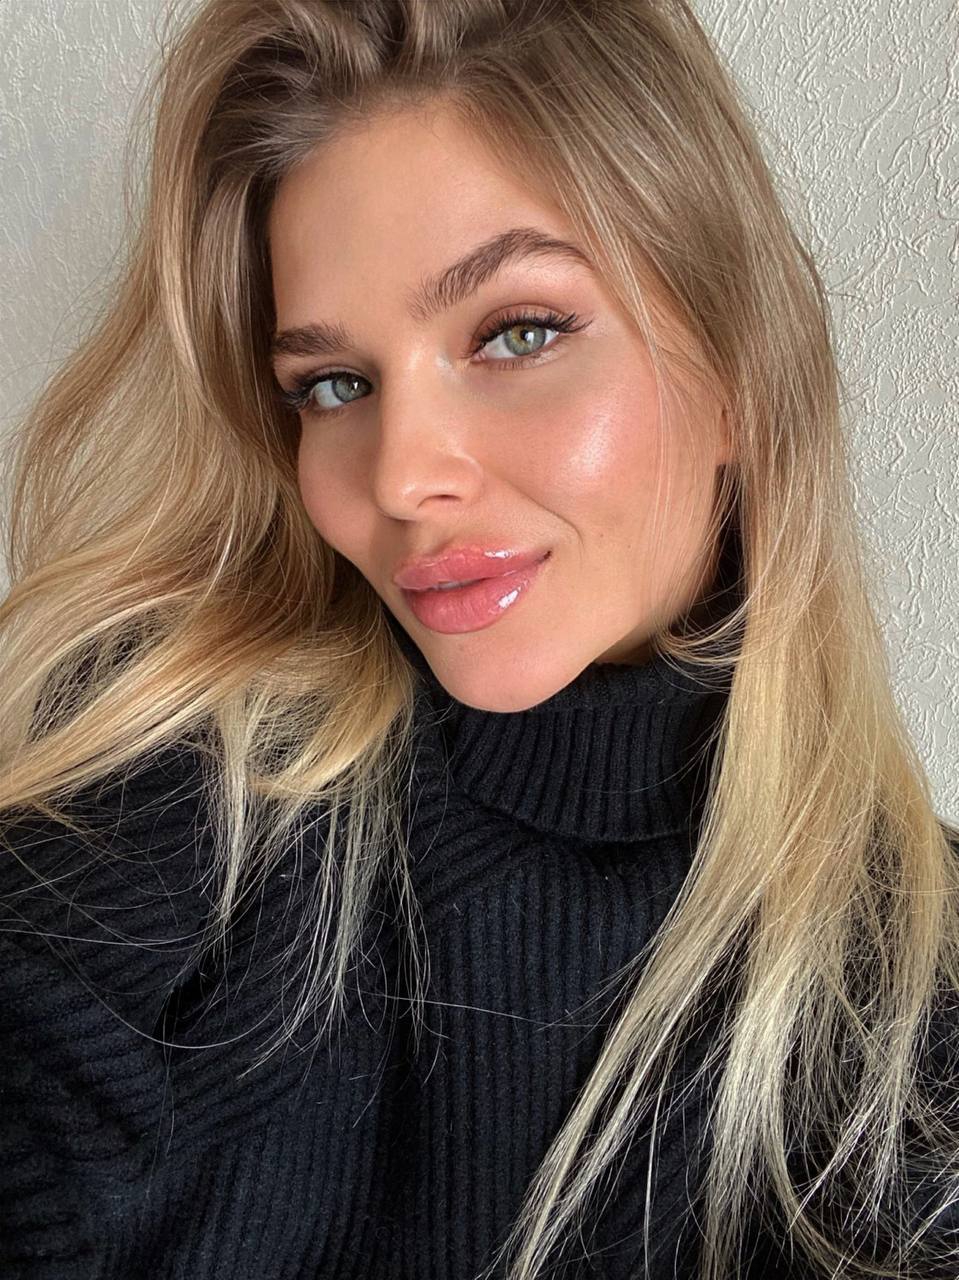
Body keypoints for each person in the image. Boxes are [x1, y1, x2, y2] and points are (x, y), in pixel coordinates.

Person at [1, 1, 957, 1277]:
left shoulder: (910, 987)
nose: (400, 476)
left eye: (517, 333)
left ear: (738, 369)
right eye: (333, 384)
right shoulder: (181, 794)